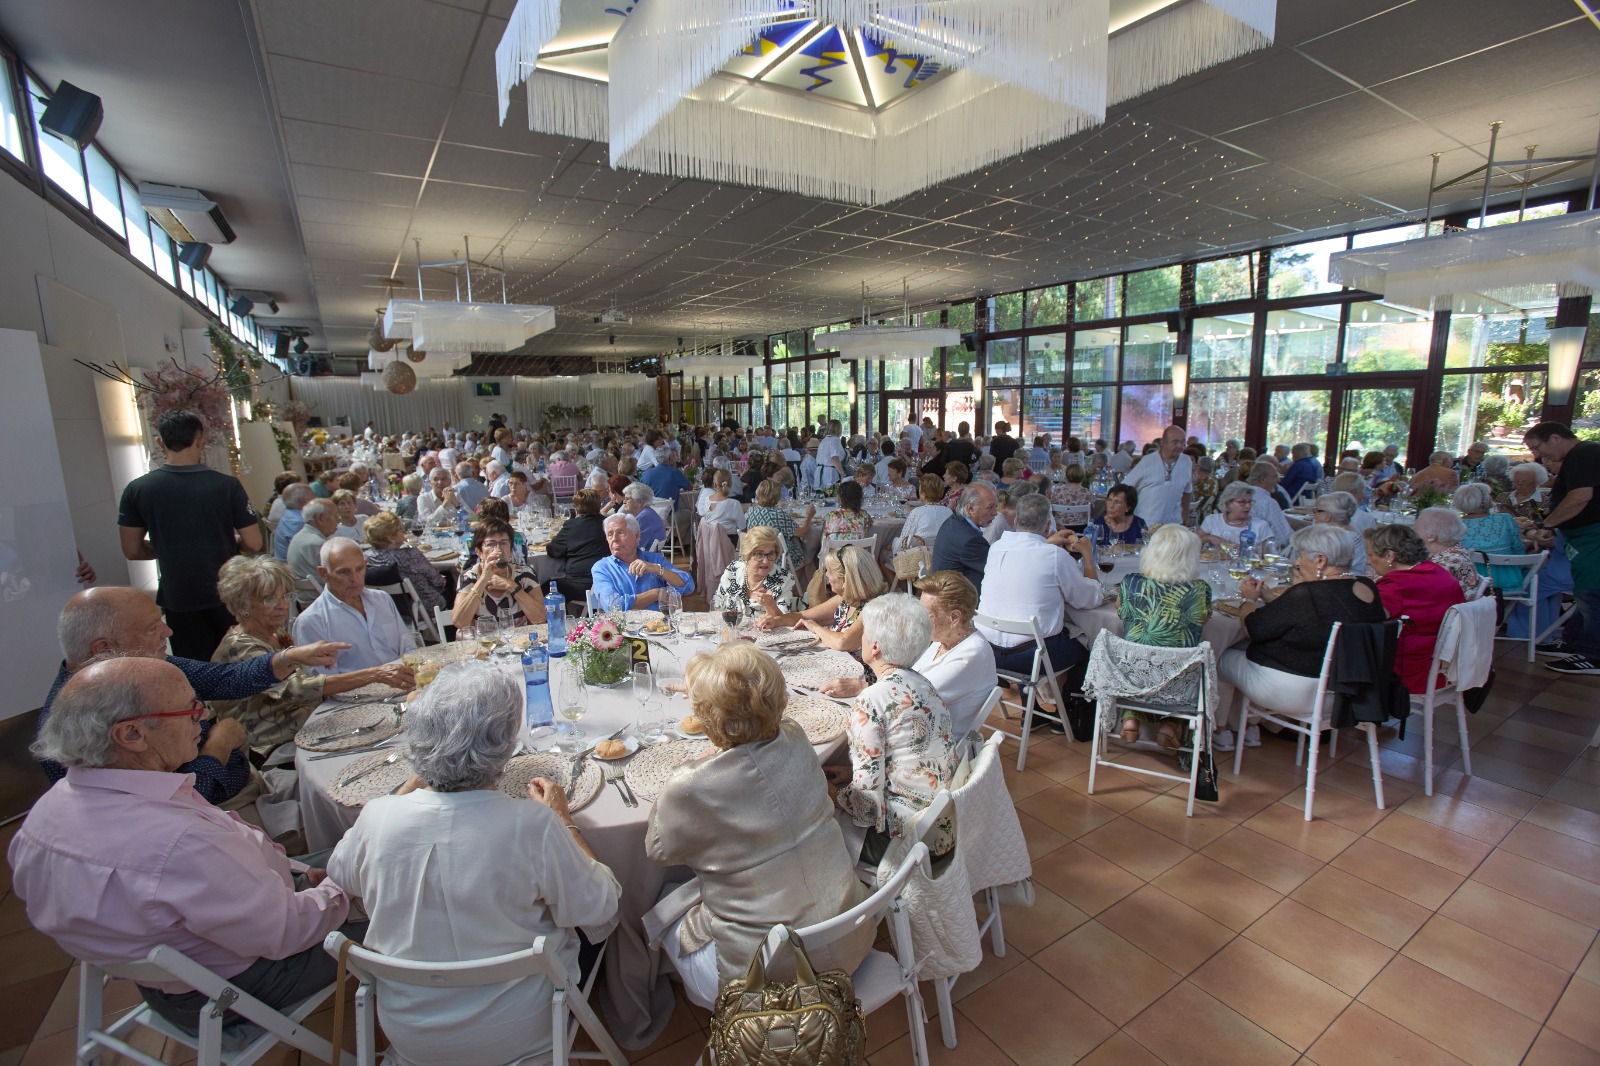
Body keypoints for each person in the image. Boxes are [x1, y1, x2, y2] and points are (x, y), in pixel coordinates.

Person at [12, 657, 355, 1037]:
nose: (203, 717)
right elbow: (287, 931)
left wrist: (309, 874)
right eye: (191, 708)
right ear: (131, 735)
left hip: (173, 972)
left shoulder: (45, 812)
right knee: (413, 882)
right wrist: (343, 885)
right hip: (235, 989)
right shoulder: (176, 842)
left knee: (356, 855)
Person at [328, 666, 619, 1064]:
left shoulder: (378, 816)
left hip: (410, 1030)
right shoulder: (531, 826)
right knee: (589, 916)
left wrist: (415, 780)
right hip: (521, 1028)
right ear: (504, 745)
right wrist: (563, 820)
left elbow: (340, 873)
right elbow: (601, 906)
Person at [647, 643, 873, 1006]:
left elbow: (658, 850)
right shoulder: (798, 738)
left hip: (768, 980)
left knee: (659, 901)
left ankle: (646, 993)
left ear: (705, 716)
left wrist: (688, 770)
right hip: (851, 936)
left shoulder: (690, 786)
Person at [34, 586, 344, 800]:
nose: (167, 634)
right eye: (152, 628)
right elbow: (170, 804)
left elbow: (225, 679)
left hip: (246, 783)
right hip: (219, 812)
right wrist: (219, 745)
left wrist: (288, 657)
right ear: (104, 649)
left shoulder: (144, 666)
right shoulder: (71, 727)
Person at [212, 556, 414, 757]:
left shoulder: (274, 634)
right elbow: (300, 690)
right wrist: (376, 674)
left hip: (311, 728)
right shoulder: (240, 648)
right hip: (274, 748)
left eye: (285, 596)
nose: (282, 605)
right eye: (269, 599)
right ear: (243, 606)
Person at [1217, 524, 1387, 751]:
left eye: (1301, 556)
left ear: (1320, 560)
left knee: (1219, 655)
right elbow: (1320, 616)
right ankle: (1247, 726)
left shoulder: (1307, 594)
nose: (1297, 562)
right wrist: (1270, 598)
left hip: (1293, 692)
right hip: (1344, 691)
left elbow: (1254, 628)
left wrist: (1248, 601)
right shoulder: (1367, 588)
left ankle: (1223, 730)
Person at [117, 410, 262, 660]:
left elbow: (132, 550)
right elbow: (254, 542)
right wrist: (224, 545)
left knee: (196, 668)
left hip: (178, 595)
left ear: (161, 442)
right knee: (239, 662)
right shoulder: (227, 486)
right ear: (199, 440)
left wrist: (166, 548)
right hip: (226, 591)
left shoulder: (138, 489)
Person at [829, 594, 958, 863]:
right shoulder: (922, 683)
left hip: (908, 841)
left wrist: (828, 793)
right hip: (940, 825)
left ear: (874, 647)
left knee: (809, 822)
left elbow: (865, 809)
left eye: (864, 634)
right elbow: (907, 755)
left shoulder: (871, 700)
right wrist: (852, 774)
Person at [976, 494, 1103, 710]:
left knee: (1035, 632)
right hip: (1031, 658)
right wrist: (1087, 555)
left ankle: (1032, 712)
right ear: (1047, 525)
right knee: (1092, 645)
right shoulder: (1054, 556)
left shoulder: (996, 548)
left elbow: (1028, 552)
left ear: (1016, 521)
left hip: (988, 652)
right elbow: (1090, 599)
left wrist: (1045, 541)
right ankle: (1070, 710)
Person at [1114, 525, 1213, 747]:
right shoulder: (1199, 589)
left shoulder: (1130, 582)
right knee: (1182, 664)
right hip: (1177, 676)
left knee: (1140, 656)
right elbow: (1202, 620)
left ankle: (1130, 720)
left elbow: (1120, 610)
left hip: (1134, 673)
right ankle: (1170, 726)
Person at [1524, 422, 1600, 674]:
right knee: (1584, 594)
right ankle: (1574, 643)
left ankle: (1592, 655)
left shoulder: (1583, 453)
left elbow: (1580, 497)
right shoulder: (1579, 456)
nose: (1539, 455)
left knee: (1591, 594)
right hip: (1583, 537)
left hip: (1592, 537)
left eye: (1538, 448)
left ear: (1555, 437)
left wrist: (1547, 524)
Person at [1365, 523, 1465, 695]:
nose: (1367, 561)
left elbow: (1366, 618)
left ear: (1390, 555)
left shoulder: (1397, 585)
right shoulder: (1436, 571)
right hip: (1445, 664)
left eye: (1370, 554)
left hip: (1409, 671)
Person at [294, 538, 416, 672]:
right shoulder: (312, 621)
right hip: (357, 692)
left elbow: (409, 647)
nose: (354, 578)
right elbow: (324, 683)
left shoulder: (382, 599)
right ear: (324, 574)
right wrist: (377, 677)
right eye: (343, 572)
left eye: (359, 569)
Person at [755, 544, 884, 655]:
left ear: (844, 579)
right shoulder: (845, 600)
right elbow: (802, 616)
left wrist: (815, 627)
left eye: (830, 572)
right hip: (837, 662)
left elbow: (843, 642)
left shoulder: (873, 608)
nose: (827, 575)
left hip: (861, 676)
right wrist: (776, 621)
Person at [453, 517, 549, 628]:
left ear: (511, 548)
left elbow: (540, 619)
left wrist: (511, 586)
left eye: (503, 543)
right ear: (479, 552)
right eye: (491, 544)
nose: (498, 550)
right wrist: (483, 579)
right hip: (479, 642)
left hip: (516, 642)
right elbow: (459, 622)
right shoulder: (469, 577)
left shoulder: (525, 574)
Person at [591, 512, 694, 612]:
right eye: (610, 535)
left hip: (660, 626)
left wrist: (658, 569)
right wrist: (656, 594)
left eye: (620, 533)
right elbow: (613, 607)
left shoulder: (654, 560)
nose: (614, 539)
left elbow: (688, 585)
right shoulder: (602, 568)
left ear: (636, 536)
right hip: (624, 628)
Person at [362, 511, 448, 613]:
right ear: (390, 538)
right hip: (420, 610)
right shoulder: (411, 555)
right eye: (400, 529)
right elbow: (439, 582)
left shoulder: (365, 557)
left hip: (384, 611)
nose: (404, 532)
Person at [711, 525, 795, 620]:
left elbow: (784, 620)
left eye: (771, 554)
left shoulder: (784, 579)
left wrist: (770, 605)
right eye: (759, 554)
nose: (766, 561)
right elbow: (717, 604)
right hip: (732, 630)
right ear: (747, 555)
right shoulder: (732, 570)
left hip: (765, 633)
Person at [1454, 482, 1525, 590]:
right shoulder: (1505, 519)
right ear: (1483, 501)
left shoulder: (1455, 525)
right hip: (1508, 580)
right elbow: (1518, 549)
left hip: (1470, 582)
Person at [545, 489, 610, 604]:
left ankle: (559, 619)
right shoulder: (608, 524)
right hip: (605, 582)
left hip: (579, 585)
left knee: (546, 589)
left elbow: (553, 550)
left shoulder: (572, 525)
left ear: (577, 508)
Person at [930, 481, 997, 589]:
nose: (995, 512)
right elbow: (995, 571)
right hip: (957, 600)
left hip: (945, 589)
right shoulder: (970, 540)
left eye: (995, 507)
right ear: (970, 509)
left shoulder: (955, 520)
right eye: (990, 507)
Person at [1122, 425, 1193, 525]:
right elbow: (1124, 488)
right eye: (1175, 442)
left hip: (1173, 524)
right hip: (1146, 524)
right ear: (1163, 443)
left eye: (1182, 442)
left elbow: (1187, 491)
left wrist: (1185, 515)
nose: (1180, 446)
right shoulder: (1147, 462)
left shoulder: (1187, 461)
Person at [745, 478, 813, 572]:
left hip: (756, 553)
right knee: (806, 554)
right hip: (777, 556)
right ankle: (794, 585)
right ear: (777, 496)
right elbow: (803, 532)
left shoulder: (751, 511)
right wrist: (809, 516)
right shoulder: (778, 515)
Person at [1413, 506, 1481, 597]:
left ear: (1431, 537)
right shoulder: (1456, 550)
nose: (1413, 530)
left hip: (1443, 609)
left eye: (1416, 528)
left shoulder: (1444, 565)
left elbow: (1418, 595)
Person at [1305, 491, 1370, 576]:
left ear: (1327, 516)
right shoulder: (1349, 534)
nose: (1314, 514)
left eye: (1316, 510)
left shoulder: (1338, 539)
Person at [287, 499, 339, 604]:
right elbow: (339, 576)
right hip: (322, 601)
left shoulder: (299, 536)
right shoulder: (318, 543)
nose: (339, 519)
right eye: (335, 515)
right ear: (319, 518)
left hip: (302, 598)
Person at [1199, 482, 1271, 548]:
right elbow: (1192, 541)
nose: (1248, 506)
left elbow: (1267, 556)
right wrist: (1210, 538)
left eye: (1250, 502)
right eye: (1242, 502)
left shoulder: (1261, 525)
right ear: (1227, 504)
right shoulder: (1212, 520)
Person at [1243, 461, 1295, 544]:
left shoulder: (1239, 496)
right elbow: (1284, 537)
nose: (1278, 480)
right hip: (1265, 550)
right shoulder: (1268, 502)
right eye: (1274, 477)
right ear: (1263, 479)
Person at [899, 474, 953, 550]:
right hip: (942, 556)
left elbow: (903, 542)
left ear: (923, 495)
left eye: (920, 490)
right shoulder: (948, 512)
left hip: (919, 558)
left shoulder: (917, 512)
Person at [272, 483, 315, 560]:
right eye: (313, 496)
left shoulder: (289, 514)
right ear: (305, 501)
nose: (316, 499)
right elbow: (309, 554)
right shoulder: (300, 522)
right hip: (291, 568)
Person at [619, 481, 667, 550]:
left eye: (627, 499)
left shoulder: (644, 518)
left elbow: (635, 546)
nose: (624, 502)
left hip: (643, 557)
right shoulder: (647, 513)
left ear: (640, 503)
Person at [697, 469, 744, 538]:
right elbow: (743, 528)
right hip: (730, 543)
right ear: (730, 484)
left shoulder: (707, 500)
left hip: (710, 542)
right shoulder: (734, 504)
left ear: (715, 484)